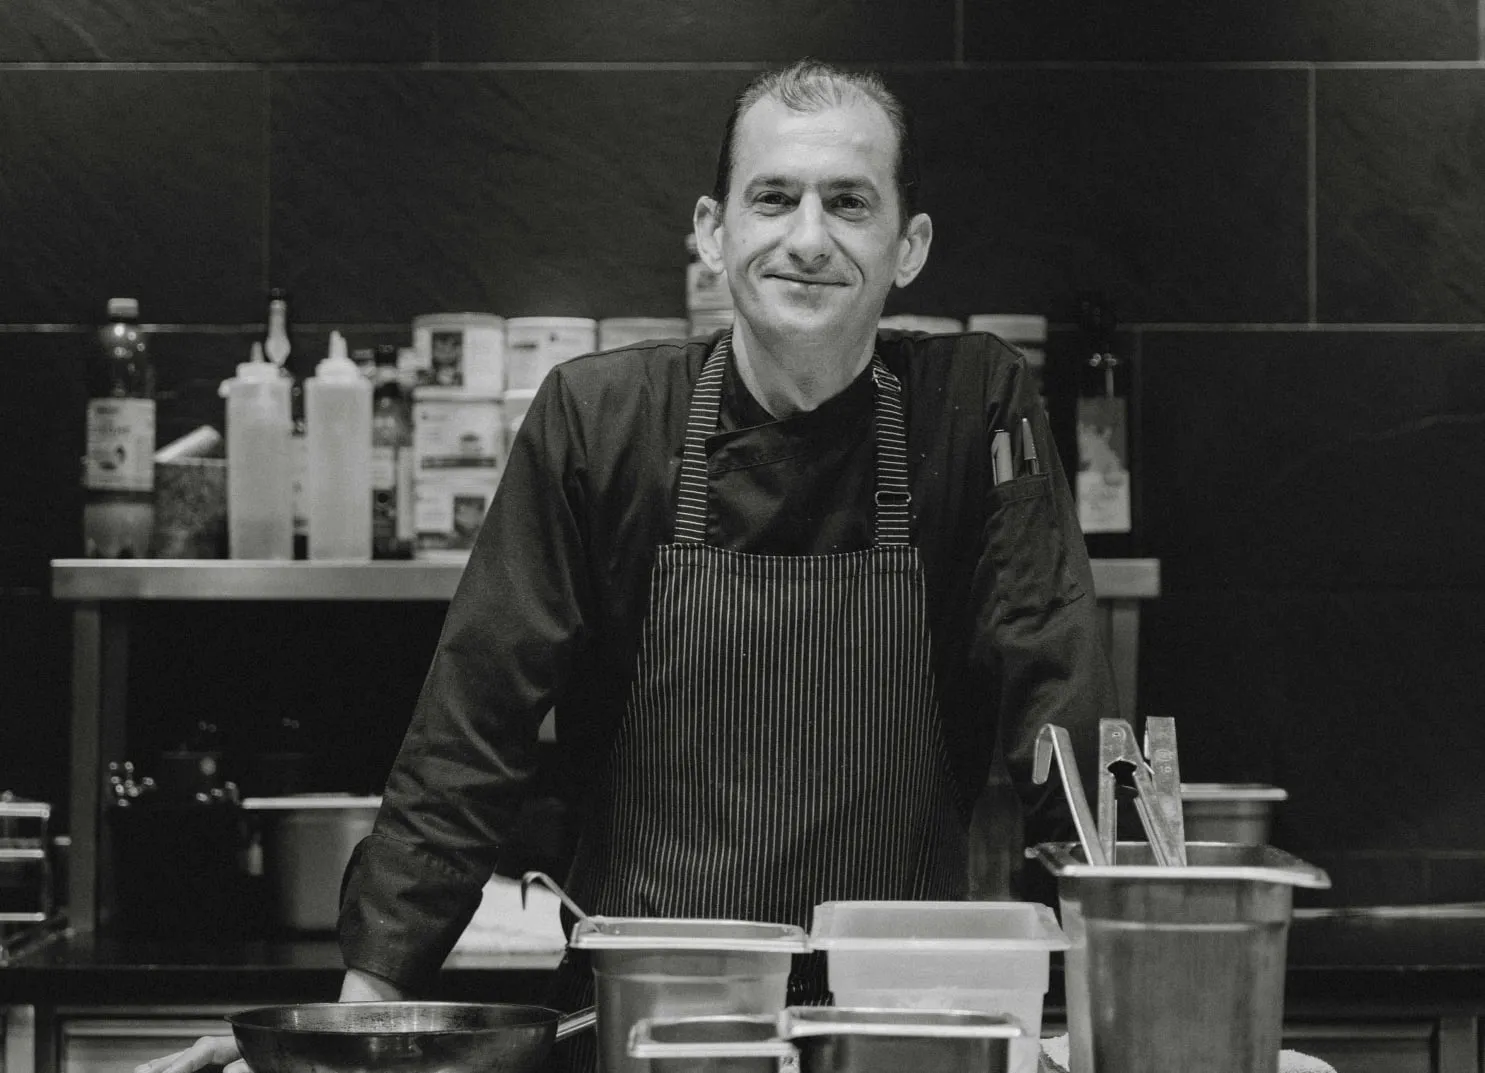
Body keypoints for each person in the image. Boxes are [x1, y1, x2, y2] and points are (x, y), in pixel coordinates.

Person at [138, 57, 1114, 1073]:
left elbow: (1060, 693)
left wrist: (1104, 1013)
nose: (809, 237)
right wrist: (351, 1021)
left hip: (894, 1032)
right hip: (647, 1031)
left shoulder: (974, 408)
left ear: (907, 245)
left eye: (850, 203)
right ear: (711, 230)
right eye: (774, 197)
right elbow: (472, 733)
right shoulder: (599, 420)